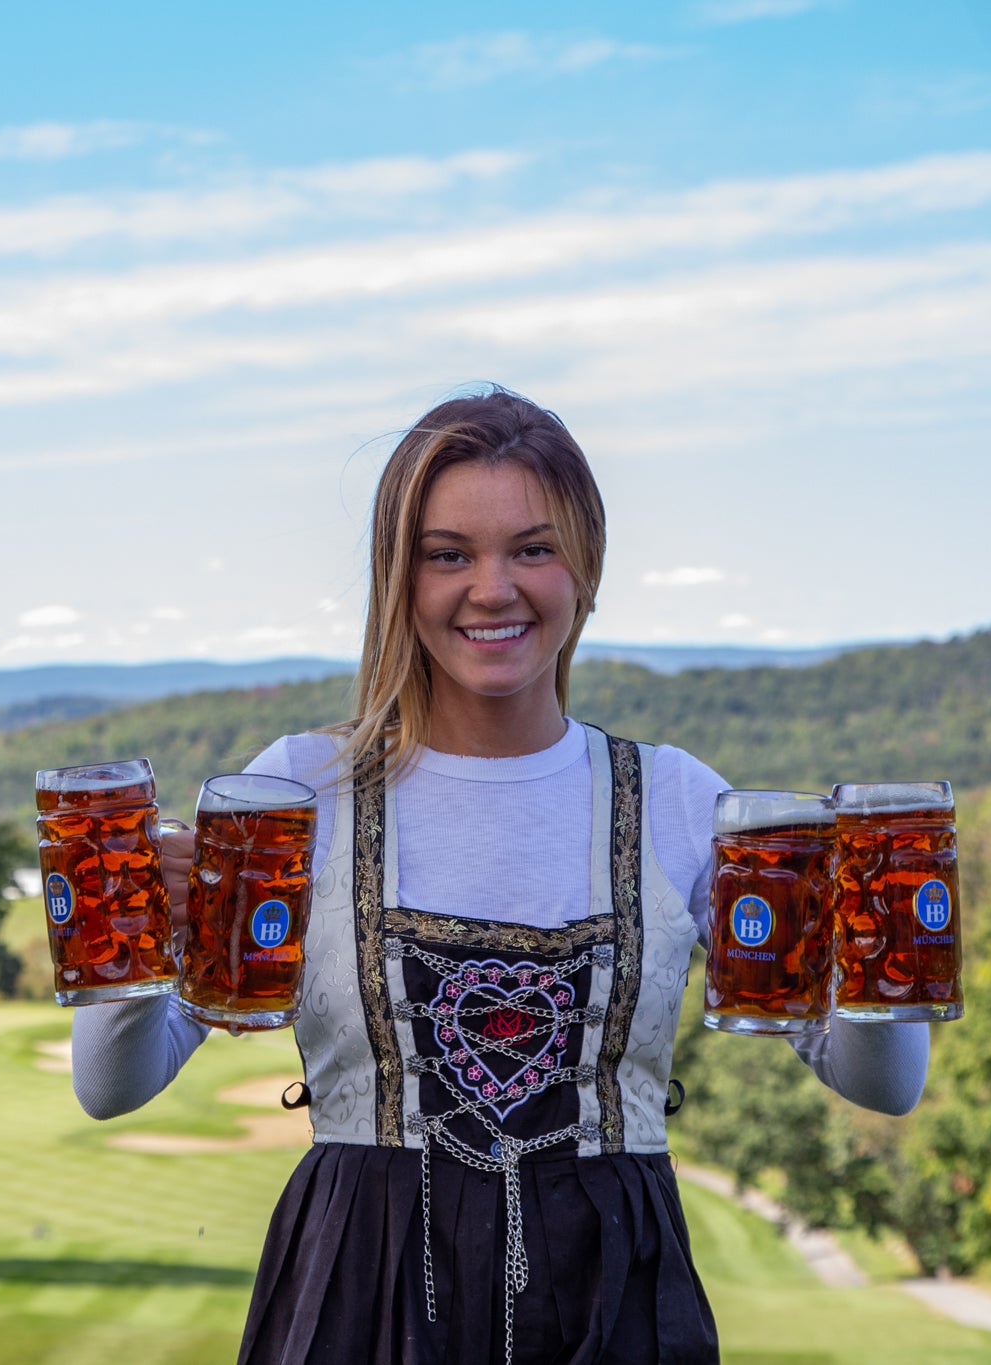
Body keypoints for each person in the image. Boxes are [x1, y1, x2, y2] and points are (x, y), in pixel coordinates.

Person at [72, 386, 928, 1365]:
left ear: (586, 567)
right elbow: (112, 1084)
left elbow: (883, 1082)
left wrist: (876, 934)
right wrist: (132, 918)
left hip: (616, 1305)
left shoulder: (680, 800)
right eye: (448, 554)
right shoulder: (295, 792)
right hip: (361, 1292)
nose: (491, 588)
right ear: (399, 575)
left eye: (532, 547)